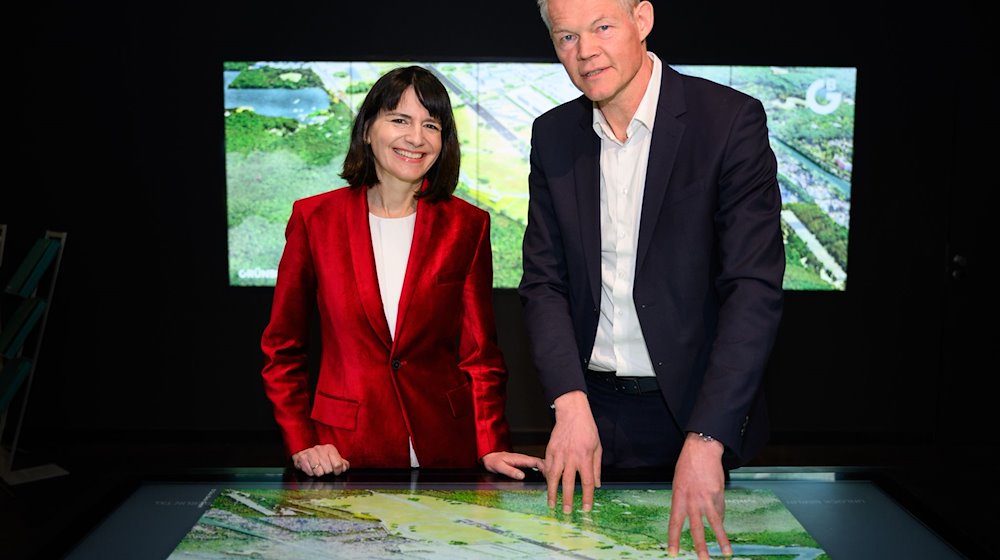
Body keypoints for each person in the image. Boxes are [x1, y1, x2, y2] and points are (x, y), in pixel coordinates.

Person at [519, 1, 785, 558]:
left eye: (602, 28)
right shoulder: (553, 134)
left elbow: (752, 290)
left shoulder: (728, 121)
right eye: (566, 37)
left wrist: (709, 435)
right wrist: (568, 403)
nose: (585, 51)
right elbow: (545, 282)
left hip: (694, 410)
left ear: (642, 20)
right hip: (587, 411)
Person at [261, 65, 543, 481]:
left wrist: (492, 443)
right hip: (340, 453)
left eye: (431, 125)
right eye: (400, 120)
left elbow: (480, 357)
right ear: (368, 129)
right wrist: (301, 440)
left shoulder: (468, 225)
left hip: (447, 449)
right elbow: (282, 348)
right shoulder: (314, 219)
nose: (416, 137)